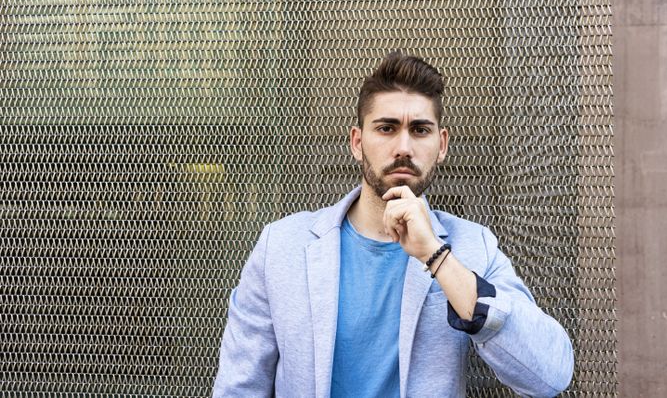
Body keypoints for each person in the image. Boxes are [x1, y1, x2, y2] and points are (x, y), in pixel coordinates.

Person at [213, 52, 574, 397]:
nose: (403, 147)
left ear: (442, 144)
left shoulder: (472, 245)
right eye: (386, 128)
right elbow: (239, 385)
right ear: (358, 142)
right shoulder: (282, 245)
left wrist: (437, 257)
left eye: (419, 130)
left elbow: (548, 375)